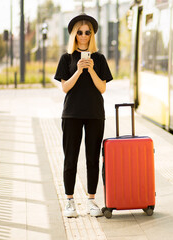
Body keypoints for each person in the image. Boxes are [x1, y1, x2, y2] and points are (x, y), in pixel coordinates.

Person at [54, 13, 113, 218]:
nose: (84, 36)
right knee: (70, 159)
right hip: (71, 115)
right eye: (79, 32)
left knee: (92, 159)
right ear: (74, 34)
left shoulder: (99, 58)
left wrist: (92, 70)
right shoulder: (66, 58)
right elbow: (65, 88)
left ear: (92, 35)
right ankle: (70, 202)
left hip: (95, 114)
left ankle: (91, 201)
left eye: (87, 32)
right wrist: (78, 71)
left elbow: (102, 88)